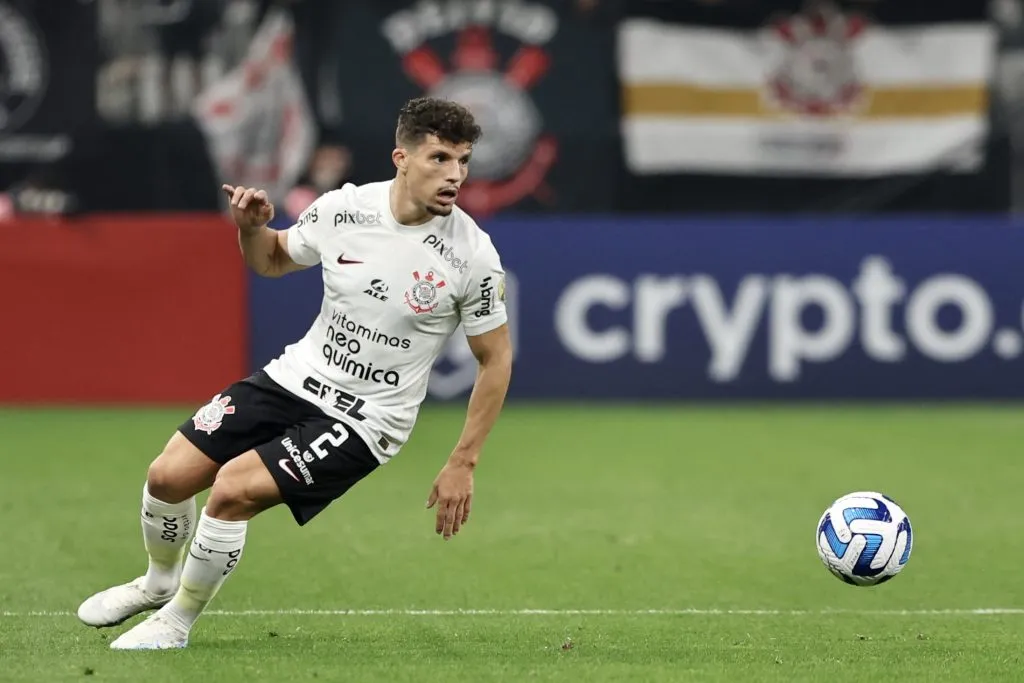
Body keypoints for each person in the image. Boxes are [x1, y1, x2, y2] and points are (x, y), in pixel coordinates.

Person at [76, 97, 513, 650]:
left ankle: (177, 621)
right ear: (401, 157)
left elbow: (495, 358)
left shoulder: (472, 254)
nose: (455, 175)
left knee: (232, 491)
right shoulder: (345, 209)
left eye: (464, 161)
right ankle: (157, 583)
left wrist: (463, 460)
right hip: (294, 377)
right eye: (440, 158)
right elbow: (274, 260)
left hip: (366, 418)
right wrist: (251, 230)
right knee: (166, 476)